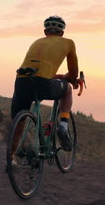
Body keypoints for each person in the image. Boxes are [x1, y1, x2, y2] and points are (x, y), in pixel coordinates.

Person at [10, 15, 79, 154]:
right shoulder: (68, 43)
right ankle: (64, 125)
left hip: (21, 81)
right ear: (62, 33)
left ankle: (11, 158)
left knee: (19, 121)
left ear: (45, 32)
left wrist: (59, 76)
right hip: (43, 83)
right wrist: (67, 78)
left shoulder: (37, 42)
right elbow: (73, 75)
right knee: (68, 89)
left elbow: (42, 70)